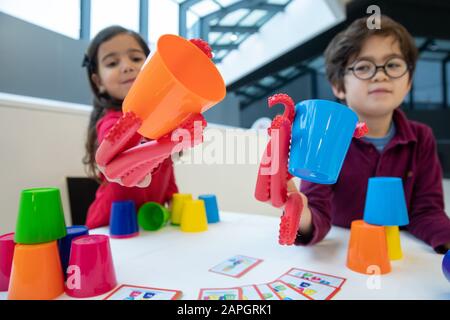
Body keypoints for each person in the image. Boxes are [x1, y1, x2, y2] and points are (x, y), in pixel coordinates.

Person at [289, 15, 450, 253]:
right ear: (339, 86)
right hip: (347, 258)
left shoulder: (421, 137)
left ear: (408, 82)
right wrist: (301, 215)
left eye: (393, 64)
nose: (380, 75)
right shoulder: (326, 138)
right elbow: (317, 213)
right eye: (364, 67)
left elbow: (426, 211)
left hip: (400, 258)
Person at [82, 26, 178, 229]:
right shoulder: (112, 121)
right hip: (109, 226)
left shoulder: (160, 121)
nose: (126, 67)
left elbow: (167, 170)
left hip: (149, 223)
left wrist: (174, 200)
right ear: (98, 82)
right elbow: (114, 143)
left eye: (135, 59)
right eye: (112, 63)